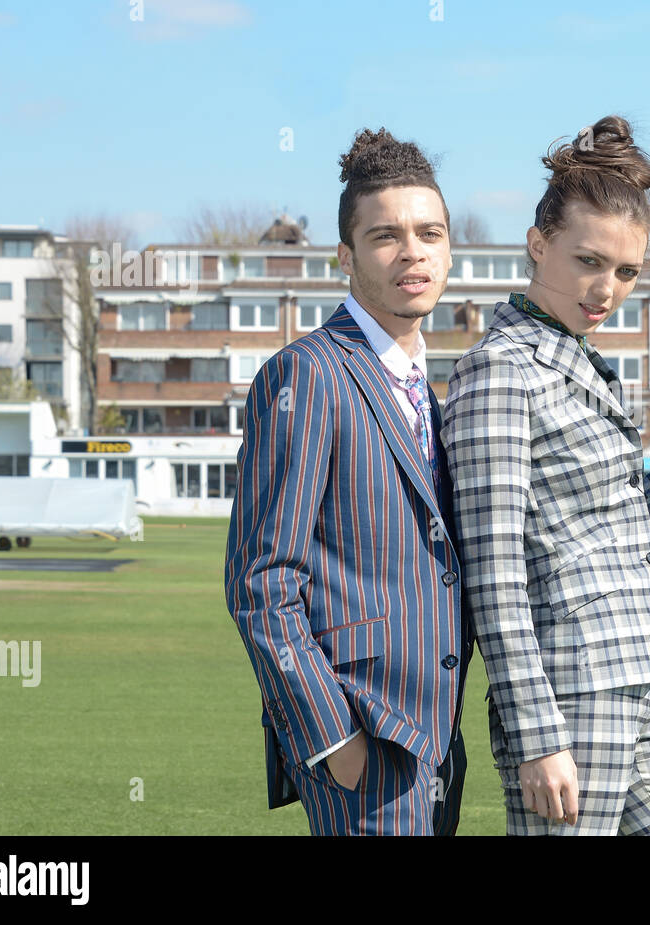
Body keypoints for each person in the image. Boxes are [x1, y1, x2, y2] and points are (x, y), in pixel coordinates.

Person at [442, 115, 650, 835]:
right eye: (589, 261)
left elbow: (617, 526)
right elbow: (492, 573)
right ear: (538, 244)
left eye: (625, 272)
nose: (606, 289)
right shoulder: (501, 374)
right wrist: (536, 734)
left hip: (643, 675)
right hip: (569, 696)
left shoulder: (580, 360)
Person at [224, 127, 472, 835]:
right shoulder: (306, 374)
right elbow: (260, 579)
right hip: (362, 738)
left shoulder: (433, 393)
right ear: (347, 255)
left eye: (430, 232)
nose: (413, 251)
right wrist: (334, 739)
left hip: (437, 740)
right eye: (386, 236)